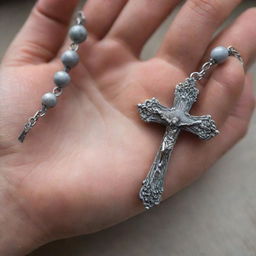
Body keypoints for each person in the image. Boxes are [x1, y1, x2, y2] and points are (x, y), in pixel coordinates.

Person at [0, 0, 255, 255]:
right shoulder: (163, 112)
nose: (176, 119)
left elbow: (205, 127)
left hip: (174, 134)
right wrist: (9, 183)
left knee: (166, 152)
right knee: (165, 150)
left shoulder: (188, 119)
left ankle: (152, 186)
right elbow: (150, 110)